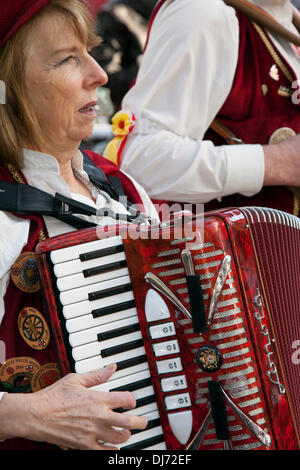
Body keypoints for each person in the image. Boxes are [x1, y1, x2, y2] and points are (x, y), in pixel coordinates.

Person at [0, 0, 159, 450]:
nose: (100, 74)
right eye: (67, 58)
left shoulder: (123, 190)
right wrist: (22, 414)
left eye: (89, 51)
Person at [105, 0, 300, 216]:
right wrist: (275, 162)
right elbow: (141, 162)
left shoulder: (284, 14)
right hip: (225, 245)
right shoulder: (203, 10)